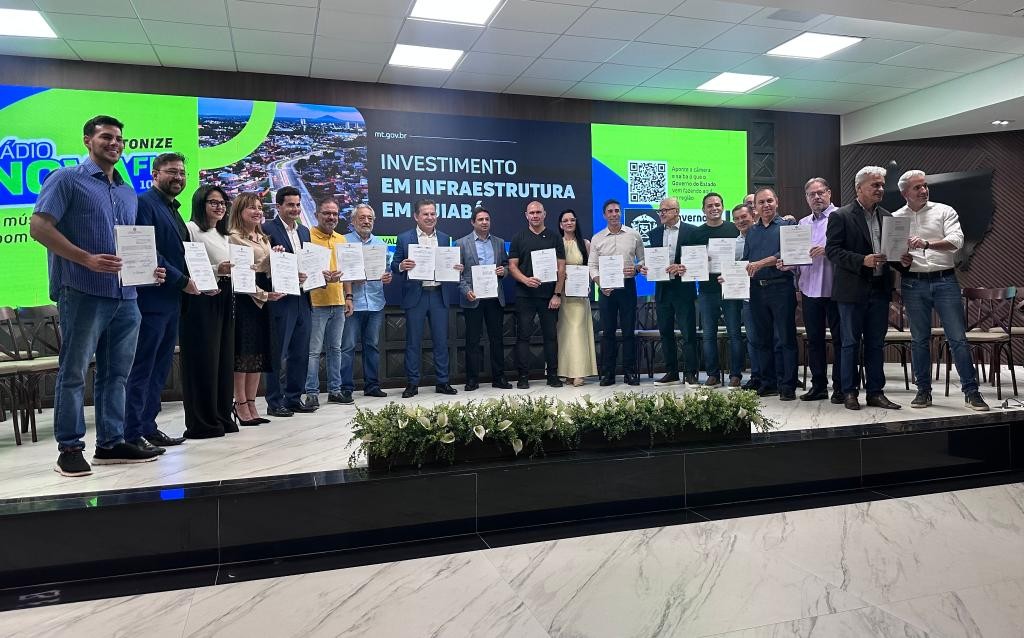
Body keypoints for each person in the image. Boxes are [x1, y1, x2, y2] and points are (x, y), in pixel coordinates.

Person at [29, 115, 164, 476]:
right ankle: (70, 448)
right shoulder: (66, 179)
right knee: (74, 372)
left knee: (116, 374)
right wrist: (85, 258)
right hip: (82, 290)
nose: (114, 143)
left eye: (119, 138)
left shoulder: (127, 191)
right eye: (106, 137)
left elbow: (129, 243)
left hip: (127, 295)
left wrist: (149, 270)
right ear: (88, 140)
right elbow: (39, 227)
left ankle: (110, 443)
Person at [894, 170, 989, 411]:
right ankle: (923, 392)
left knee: (957, 338)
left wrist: (927, 244)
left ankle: (972, 392)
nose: (923, 190)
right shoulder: (895, 218)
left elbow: (957, 241)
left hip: (945, 280)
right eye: (917, 187)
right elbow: (892, 253)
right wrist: (900, 259)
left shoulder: (944, 211)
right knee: (919, 340)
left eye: (925, 185)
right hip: (913, 282)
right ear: (905, 193)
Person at [124, 152, 193, 455]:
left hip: (170, 301)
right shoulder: (144, 204)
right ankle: (132, 432)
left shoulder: (172, 209)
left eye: (182, 173)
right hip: (150, 300)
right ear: (155, 174)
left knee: (159, 368)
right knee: (143, 367)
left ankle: (148, 427)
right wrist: (182, 279)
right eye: (171, 172)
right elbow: (146, 250)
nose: (178, 177)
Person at [826, 166, 909, 411]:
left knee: (875, 343)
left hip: (879, 290)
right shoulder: (841, 216)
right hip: (851, 290)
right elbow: (833, 251)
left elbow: (891, 254)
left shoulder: (888, 217)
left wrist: (903, 261)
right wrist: (862, 260)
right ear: (859, 188)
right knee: (850, 343)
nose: (880, 189)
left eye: (882, 185)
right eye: (875, 185)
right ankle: (849, 392)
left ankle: (875, 393)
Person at [778, 178, 843, 403]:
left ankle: (841, 387)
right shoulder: (802, 224)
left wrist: (828, 250)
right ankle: (819, 386)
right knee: (814, 341)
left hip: (836, 290)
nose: (817, 197)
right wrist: (788, 264)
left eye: (820, 192)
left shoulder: (842, 217)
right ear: (806, 198)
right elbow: (799, 258)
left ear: (829, 193)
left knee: (841, 340)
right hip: (809, 290)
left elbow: (850, 250)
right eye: (811, 194)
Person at [180, 185, 236, 439]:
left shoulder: (224, 234)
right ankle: (202, 421)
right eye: (213, 202)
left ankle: (221, 415)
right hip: (201, 296)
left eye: (223, 203)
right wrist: (216, 269)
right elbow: (187, 264)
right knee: (204, 359)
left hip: (225, 295)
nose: (219, 207)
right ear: (200, 204)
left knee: (222, 359)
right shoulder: (191, 229)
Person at [392, 198, 462, 398]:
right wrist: (401, 266)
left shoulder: (446, 238)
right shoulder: (404, 238)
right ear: (416, 216)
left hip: (439, 295)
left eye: (433, 214)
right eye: (425, 214)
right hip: (417, 295)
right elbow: (394, 266)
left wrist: (457, 268)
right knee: (413, 342)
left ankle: (443, 382)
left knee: (441, 341)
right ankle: (412, 383)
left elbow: (451, 265)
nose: (430, 217)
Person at [229, 193, 285, 425]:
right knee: (243, 355)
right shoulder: (233, 238)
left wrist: (276, 259)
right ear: (239, 210)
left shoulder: (263, 238)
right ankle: (240, 403)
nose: (257, 211)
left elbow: (265, 270)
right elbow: (241, 273)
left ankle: (252, 403)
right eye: (251, 207)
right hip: (245, 298)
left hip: (264, 299)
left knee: (258, 354)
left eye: (260, 207)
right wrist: (263, 294)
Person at [263, 186, 315, 416]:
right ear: (278, 207)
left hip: (303, 297)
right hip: (281, 298)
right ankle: (274, 401)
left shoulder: (304, 231)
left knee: (300, 352)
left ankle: (294, 398)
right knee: (278, 352)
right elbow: (265, 265)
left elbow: (307, 262)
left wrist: (319, 274)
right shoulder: (267, 229)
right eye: (290, 205)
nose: (295, 209)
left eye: (297, 204)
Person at [744, 187, 799, 400]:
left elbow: (786, 253)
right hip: (757, 289)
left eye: (769, 201)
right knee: (762, 339)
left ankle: (788, 384)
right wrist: (730, 277)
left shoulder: (788, 226)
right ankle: (769, 383)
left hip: (781, 288)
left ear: (777, 201)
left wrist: (761, 263)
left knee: (785, 338)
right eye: (761, 202)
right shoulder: (752, 231)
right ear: (755, 207)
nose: (766, 205)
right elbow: (746, 261)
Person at [508, 200, 566, 388]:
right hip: (524, 295)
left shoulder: (555, 237)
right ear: (526, 215)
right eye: (531, 213)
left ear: (544, 214)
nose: (535, 216)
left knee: (551, 337)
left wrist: (557, 294)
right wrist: (525, 280)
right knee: (523, 337)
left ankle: (553, 375)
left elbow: (561, 267)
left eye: (538, 212)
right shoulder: (518, 237)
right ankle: (523, 377)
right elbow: (512, 266)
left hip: (549, 296)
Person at [337, 204, 392, 404]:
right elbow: (339, 272)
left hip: (376, 302)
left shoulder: (380, 243)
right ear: (353, 221)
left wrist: (388, 277)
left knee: (372, 346)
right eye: (362, 218)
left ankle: (372, 386)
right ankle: (345, 388)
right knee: (348, 347)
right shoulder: (343, 241)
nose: (366, 221)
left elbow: (386, 269)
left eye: (370, 218)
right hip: (352, 302)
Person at [688, 192, 742, 387]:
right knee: (708, 335)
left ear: (723, 207)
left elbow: (742, 256)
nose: (714, 208)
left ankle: (735, 375)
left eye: (717, 205)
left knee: (734, 334)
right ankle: (712, 375)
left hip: (730, 289)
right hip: (706, 290)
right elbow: (691, 261)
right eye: (709, 206)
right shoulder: (696, 233)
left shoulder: (734, 228)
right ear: (703, 210)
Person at [589, 198, 644, 386]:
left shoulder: (634, 235)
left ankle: (630, 372)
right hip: (606, 290)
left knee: (629, 332)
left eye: (616, 211)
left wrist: (636, 269)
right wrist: (599, 283)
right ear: (604, 215)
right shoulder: (597, 238)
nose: (614, 214)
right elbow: (592, 266)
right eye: (610, 211)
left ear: (620, 213)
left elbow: (643, 260)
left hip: (627, 287)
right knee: (608, 333)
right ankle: (608, 374)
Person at [304, 197, 352, 407]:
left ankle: (335, 390)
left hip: (338, 302)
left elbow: (347, 272)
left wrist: (349, 297)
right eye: (326, 213)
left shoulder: (341, 239)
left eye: (334, 214)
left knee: (335, 349)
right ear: (317, 215)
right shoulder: (307, 236)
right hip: (315, 302)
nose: (331, 217)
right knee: (313, 351)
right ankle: (311, 393)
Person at [645, 197, 698, 385]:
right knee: (665, 332)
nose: (661, 213)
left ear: (676, 211)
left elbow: (698, 259)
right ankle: (671, 372)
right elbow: (652, 259)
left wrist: (684, 266)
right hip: (662, 289)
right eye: (660, 211)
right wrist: (646, 268)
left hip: (683, 288)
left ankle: (690, 373)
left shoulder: (692, 231)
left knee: (688, 333)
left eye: (665, 210)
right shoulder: (654, 233)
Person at [457, 207, 511, 391]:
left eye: (487, 219)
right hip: (473, 298)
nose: (484, 222)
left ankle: (499, 378)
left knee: (497, 339)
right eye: (480, 219)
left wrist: (504, 271)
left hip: (494, 297)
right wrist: (466, 291)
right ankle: (472, 379)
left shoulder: (499, 242)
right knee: (472, 341)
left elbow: (506, 265)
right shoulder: (461, 243)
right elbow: (457, 273)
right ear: (473, 222)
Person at [556, 209, 598, 386]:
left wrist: (588, 283)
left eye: (572, 220)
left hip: (579, 295)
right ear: (560, 225)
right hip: (562, 295)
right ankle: (567, 372)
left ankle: (579, 372)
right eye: (565, 220)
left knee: (578, 332)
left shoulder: (585, 243)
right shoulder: (556, 243)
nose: (569, 223)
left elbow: (591, 267)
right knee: (564, 334)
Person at [733, 204, 761, 390]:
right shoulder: (734, 244)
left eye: (744, 217)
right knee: (753, 339)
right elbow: (733, 269)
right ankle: (756, 376)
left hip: (767, 294)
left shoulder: (762, 235)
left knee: (773, 338)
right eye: (737, 218)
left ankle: (776, 376)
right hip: (747, 298)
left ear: (753, 216)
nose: (741, 221)